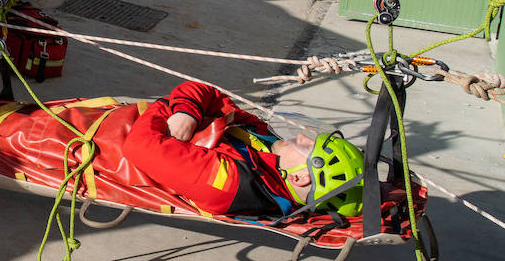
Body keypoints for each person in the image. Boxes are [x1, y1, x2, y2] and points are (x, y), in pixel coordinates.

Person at [121, 81, 365, 217]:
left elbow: (138, 146)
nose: (301, 136)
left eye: (307, 146)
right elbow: (208, 93)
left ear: (298, 178)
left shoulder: (227, 182)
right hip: (134, 120)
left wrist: (169, 106)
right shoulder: (267, 145)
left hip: (110, 136)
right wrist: (186, 110)